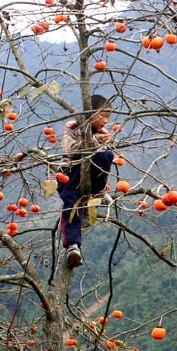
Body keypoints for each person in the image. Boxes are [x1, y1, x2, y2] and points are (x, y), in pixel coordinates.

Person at [58, 94, 114, 269]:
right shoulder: (74, 128)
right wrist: (93, 141)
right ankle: (73, 246)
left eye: (108, 117)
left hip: (90, 177)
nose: (106, 121)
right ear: (90, 112)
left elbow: (102, 160)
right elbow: (71, 152)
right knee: (72, 204)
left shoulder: (103, 134)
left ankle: (97, 191)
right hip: (70, 174)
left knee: (107, 155)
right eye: (103, 115)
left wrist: (101, 142)